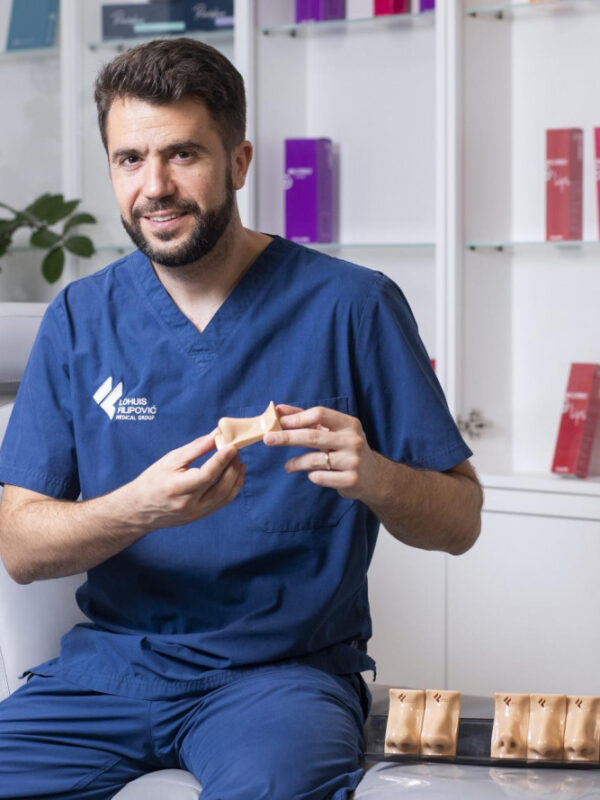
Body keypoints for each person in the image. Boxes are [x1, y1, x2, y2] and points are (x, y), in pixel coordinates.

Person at [0, 37, 482, 800]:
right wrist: (141, 507)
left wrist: (378, 479)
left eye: (183, 154)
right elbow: (20, 547)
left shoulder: (351, 306)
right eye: (130, 159)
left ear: (239, 161)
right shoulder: (80, 317)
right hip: (110, 674)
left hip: (279, 679)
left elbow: (460, 522)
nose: (155, 187)